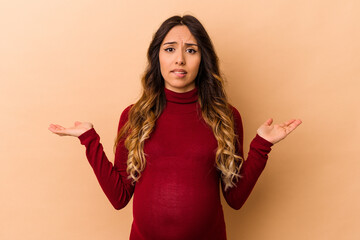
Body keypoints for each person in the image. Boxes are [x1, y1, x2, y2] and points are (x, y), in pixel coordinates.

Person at [48, 15, 302, 240]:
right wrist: (88, 139)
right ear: (157, 55)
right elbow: (119, 197)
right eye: (170, 49)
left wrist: (262, 145)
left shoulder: (226, 117)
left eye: (191, 51)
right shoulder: (134, 116)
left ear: (203, 59)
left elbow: (235, 199)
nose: (179, 59)